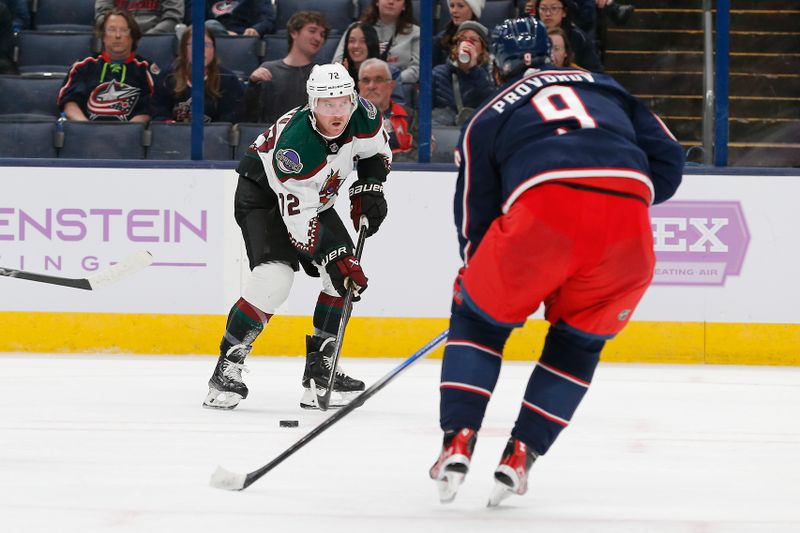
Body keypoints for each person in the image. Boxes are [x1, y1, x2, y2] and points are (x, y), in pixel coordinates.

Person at [428, 17, 684, 506]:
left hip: (540, 219)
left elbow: (474, 219)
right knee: (577, 346)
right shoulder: (607, 88)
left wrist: (485, 280)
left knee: (478, 322)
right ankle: (522, 453)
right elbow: (669, 163)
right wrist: (616, 199)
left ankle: (458, 439)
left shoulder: (487, 116)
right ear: (556, 55)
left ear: (495, 68)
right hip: (627, 230)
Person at [202, 63, 392, 411]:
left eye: (342, 102)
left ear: (353, 99)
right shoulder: (295, 149)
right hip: (263, 195)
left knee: (342, 281)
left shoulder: (364, 115)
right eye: (326, 104)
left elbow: (375, 153)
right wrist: (336, 257)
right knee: (276, 277)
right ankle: (226, 370)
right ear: (311, 103)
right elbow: (300, 224)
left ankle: (321, 373)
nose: (337, 112)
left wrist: (370, 187)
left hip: (313, 198)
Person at [58, 9, 157, 122]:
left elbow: (150, 109)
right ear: (103, 36)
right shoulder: (83, 66)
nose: (118, 35)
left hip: (129, 134)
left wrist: (128, 131)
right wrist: (86, 127)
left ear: (133, 36)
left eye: (124, 30)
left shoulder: (146, 68)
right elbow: (69, 103)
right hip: (86, 132)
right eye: (111, 30)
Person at [248, 11, 329, 124]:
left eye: (322, 34)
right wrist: (252, 84)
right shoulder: (268, 70)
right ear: (294, 33)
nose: (318, 38)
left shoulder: (323, 75)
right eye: (312, 31)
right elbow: (250, 115)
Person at [152, 26, 244, 122]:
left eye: (206, 45)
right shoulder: (167, 77)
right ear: (184, 49)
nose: (200, 50)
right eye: (194, 45)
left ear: (214, 49)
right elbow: (158, 113)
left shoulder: (228, 79)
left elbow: (231, 120)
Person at [333, 0, 420, 84]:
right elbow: (337, 63)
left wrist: (386, 80)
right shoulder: (356, 29)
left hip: (397, 86)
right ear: (377, 2)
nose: (391, 2)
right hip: (355, 84)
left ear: (404, 6)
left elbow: (416, 70)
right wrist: (360, 80)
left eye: (397, 0)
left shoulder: (416, 33)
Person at [431, 20, 494, 126]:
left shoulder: (490, 74)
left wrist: (474, 70)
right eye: (463, 40)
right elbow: (423, 110)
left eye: (473, 40)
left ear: (483, 48)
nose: (468, 44)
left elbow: (493, 105)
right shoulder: (438, 73)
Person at [358, 58, 413, 156]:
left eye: (378, 80)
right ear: (359, 86)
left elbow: (418, 154)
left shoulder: (410, 116)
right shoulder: (345, 119)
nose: (371, 86)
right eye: (366, 80)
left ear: (391, 85)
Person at [340, 21, 405, 103]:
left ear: (372, 44)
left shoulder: (390, 72)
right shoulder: (339, 74)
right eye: (352, 41)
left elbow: (398, 106)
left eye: (363, 41)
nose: (356, 46)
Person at [531, 0, 603, 72]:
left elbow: (596, 72)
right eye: (543, 9)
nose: (548, 13)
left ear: (564, 12)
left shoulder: (579, 37)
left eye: (554, 8)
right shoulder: (529, 36)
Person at [433, 0, 483, 66]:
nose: (454, 10)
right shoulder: (440, 40)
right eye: (452, 6)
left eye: (460, 6)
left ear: (473, 10)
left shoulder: (485, 39)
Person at [95, 0, 183, 34]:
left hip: (153, 39)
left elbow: (172, 18)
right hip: (118, 36)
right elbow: (102, 16)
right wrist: (119, 33)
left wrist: (148, 37)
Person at [202, 0, 276, 38]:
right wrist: (226, 33)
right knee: (209, 25)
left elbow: (268, 19)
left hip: (243, 36)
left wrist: (256, 29)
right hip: (213, 37)